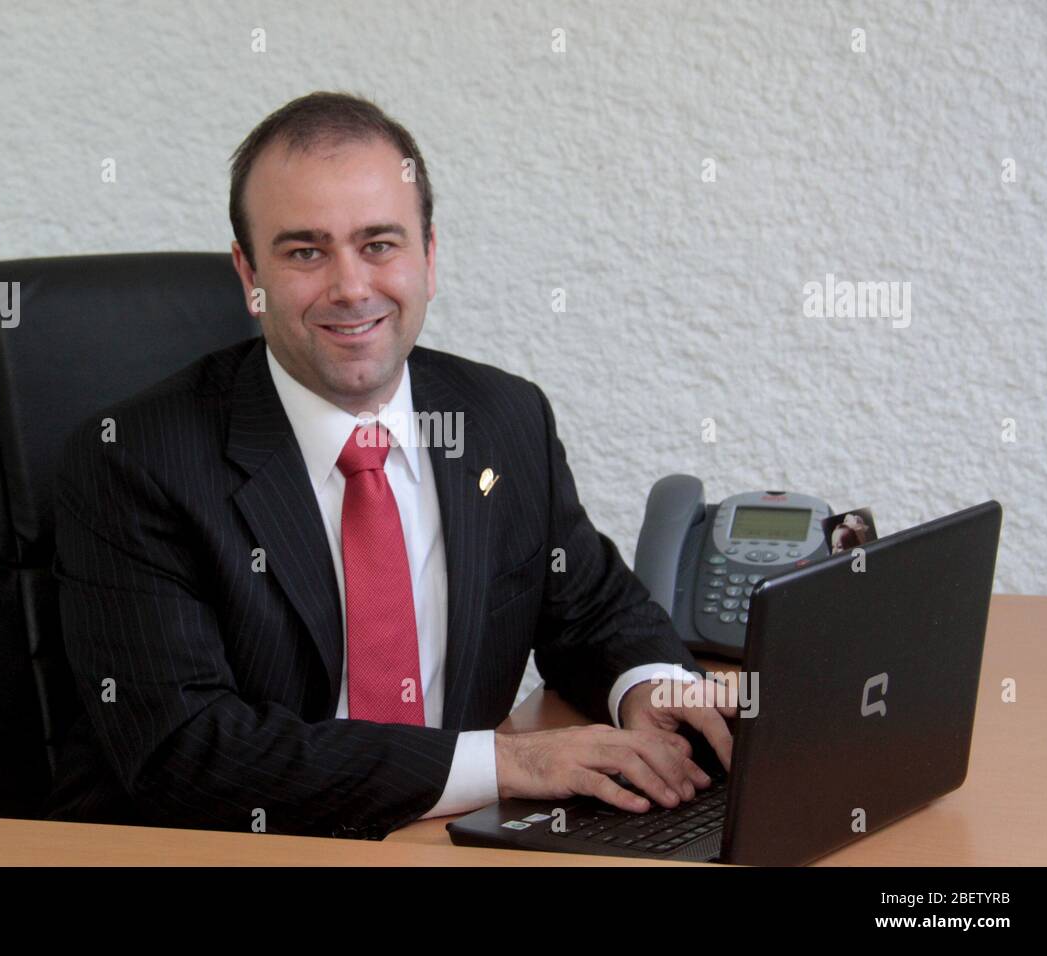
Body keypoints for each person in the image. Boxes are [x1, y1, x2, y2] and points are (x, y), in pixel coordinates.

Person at [42, 91, 733, 839]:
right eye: (305, 251)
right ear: (249, 275)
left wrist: (652, 686)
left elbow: (592, 607)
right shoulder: (134, 464)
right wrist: (508, 764)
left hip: (446, 844)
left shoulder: (501, 421)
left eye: (380, 244)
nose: (350, 287)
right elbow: (187, 754)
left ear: (429, 256)